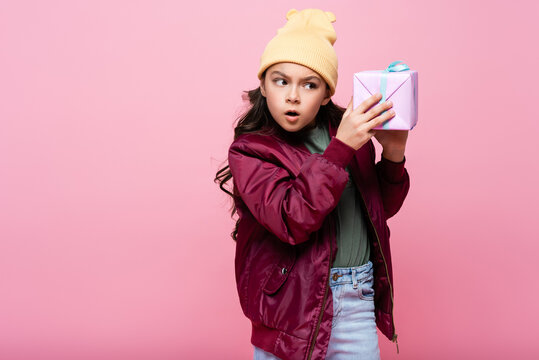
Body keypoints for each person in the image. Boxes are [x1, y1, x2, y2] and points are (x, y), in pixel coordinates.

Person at [215, 8, 410, 360]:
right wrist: (341, 150)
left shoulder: (349, 133)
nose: (293, 95)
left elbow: (379, 211)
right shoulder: (251, 151)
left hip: (357, 300)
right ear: (262, 84)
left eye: (309, 84)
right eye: (280, 80)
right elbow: (291, 219)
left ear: (325, 95)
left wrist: (393, 157)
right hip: (291, 306)